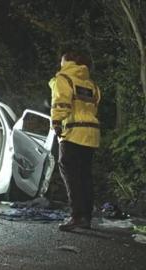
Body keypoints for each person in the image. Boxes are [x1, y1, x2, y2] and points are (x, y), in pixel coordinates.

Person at [49, 51, 101, 231]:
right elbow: (94, 106)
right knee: (85, 176)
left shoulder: (63, 78)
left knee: (71, 176)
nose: (60, 63)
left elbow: (61, 103)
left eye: (61, 59)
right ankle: (86, 216)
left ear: (68, 61)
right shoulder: (89, 82)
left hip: (72, 132)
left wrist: (56, 122)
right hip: (91, 133)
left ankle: (76, 216)